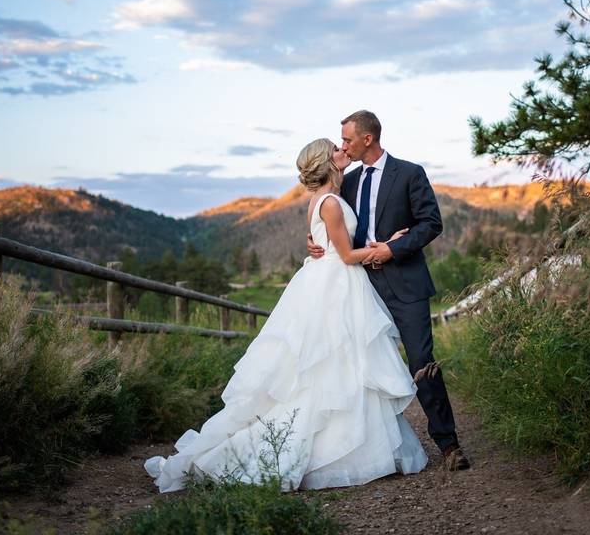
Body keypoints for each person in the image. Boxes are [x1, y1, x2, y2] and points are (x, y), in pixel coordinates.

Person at [144, 138, 428, 492]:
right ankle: (331, 448)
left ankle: (356, 445)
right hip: (336, 283)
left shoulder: (322, 200)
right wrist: (390, 247)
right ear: (328, 163)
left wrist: (377, 242)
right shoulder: (332, 204)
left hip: (328, 280)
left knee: (339, 363)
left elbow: (329, 245)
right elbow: (344, 254)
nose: (344, 152)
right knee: (332, 361)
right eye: (336, 150)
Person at [307, 110, 470, 472]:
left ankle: (449, 445)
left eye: (347, 139)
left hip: (406, 284)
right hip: (360, 287)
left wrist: (392, 249)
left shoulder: (410, 173)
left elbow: (431, 223)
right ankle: (365, 449)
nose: (343, 146)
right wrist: (315, 241)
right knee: (357, 366)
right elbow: (329, 220)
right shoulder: (344, 183)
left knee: (421, 362)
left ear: (368, 139)